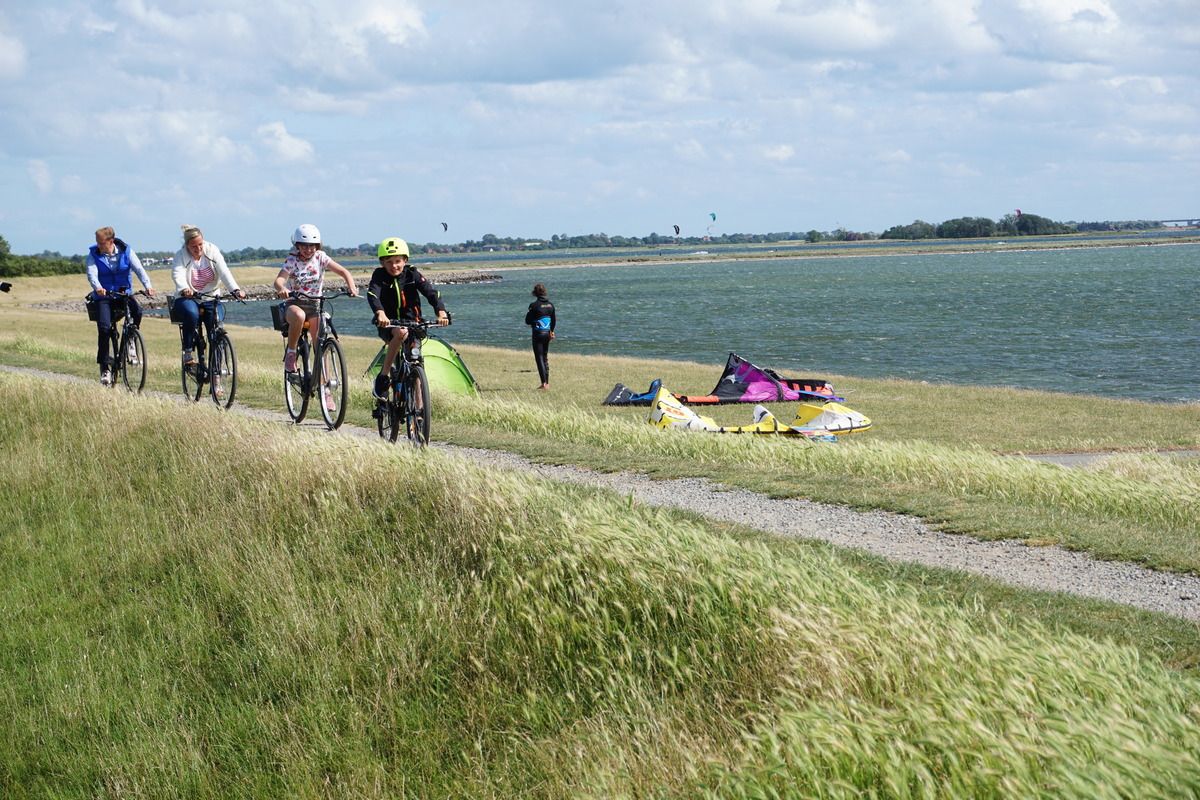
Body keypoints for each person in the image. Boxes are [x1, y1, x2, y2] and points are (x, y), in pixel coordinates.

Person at [366, 237, 449, 399]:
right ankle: (383, 377)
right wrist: (380, 313)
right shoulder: (379, 275)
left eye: (398, 261)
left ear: (405, 260)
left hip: (414, 324)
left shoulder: (412, 274)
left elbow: (431, 292)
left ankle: (418, 413)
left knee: (416, 362)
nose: (394, 266)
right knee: (401, 333)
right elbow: (372, 294)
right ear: (382, 263)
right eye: (388, 262)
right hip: (389, 325)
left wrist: (441, 312)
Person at [273, 224, 359, 373]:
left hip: (315, 305)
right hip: (294, 303)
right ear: (297, 245)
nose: (309, 250)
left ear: (318, 245)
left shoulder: (321, 257)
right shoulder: (292, 260)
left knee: (319, 345)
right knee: (299, 316)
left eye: (313, 246)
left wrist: (351, 287)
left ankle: (324, 385)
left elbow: (344, 271)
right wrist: (282, 289)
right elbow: (279, 280)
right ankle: (291, 353)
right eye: (305, 246)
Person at [86, 226, 155, 385]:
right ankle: (105, 368)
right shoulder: (93, 254)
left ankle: (131, 338)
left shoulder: (126, 251)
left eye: (100, 242)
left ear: (110, 241)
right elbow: (91, 274)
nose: (97, 245)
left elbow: (139, 268)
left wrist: (148, 286)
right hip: (104, 296)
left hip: (123, 294)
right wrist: (98, 287)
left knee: (137, 311)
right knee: (104, 328)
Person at [171, 224, 245, 366]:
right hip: (188, 298)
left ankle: (215, 376)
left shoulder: (212, 250)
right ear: (187, 246)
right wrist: (184, 288)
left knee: (216, 332)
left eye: (200, 244)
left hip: (211, 296)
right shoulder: (180, 256)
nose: (198, 249)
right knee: (192, 314)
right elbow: (177, 274)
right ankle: (188, 351)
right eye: (193, 246)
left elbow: (224, 272)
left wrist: (235, 290)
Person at [525, 282, 556, 390]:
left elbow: (527, 321)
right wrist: (551, 332)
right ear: (544, 292)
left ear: (535, 293)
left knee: (539, 358)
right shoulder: (550, 305)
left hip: (538, 334)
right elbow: (554, 321)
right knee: (545, 358)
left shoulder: (534, 305)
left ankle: (544, 384)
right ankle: (547, 383)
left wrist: (533, 319)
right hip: (547, 334)